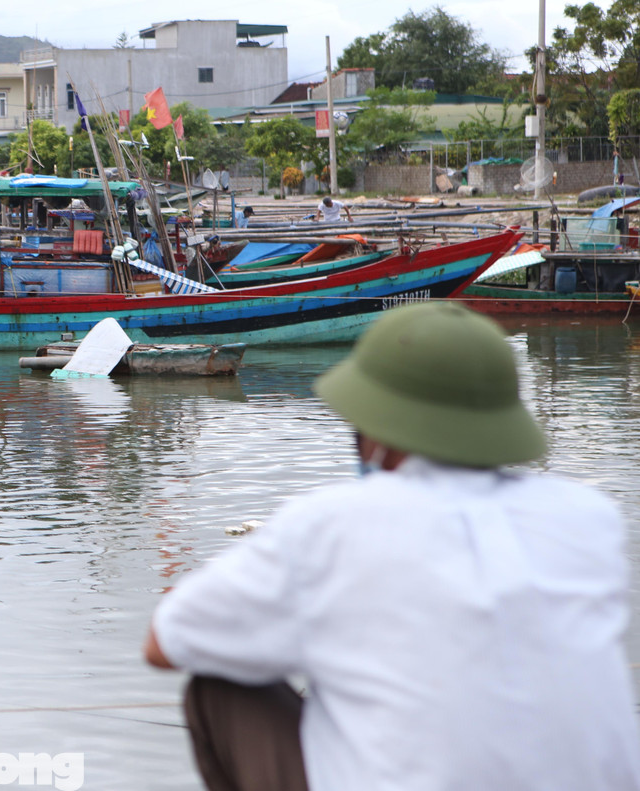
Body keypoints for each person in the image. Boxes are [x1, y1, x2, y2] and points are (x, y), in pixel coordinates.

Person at [144, 302, 640, 791]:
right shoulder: (590, 517)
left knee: (219, 685)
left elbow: (164, 643)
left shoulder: (333, 522)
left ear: (377, 430)